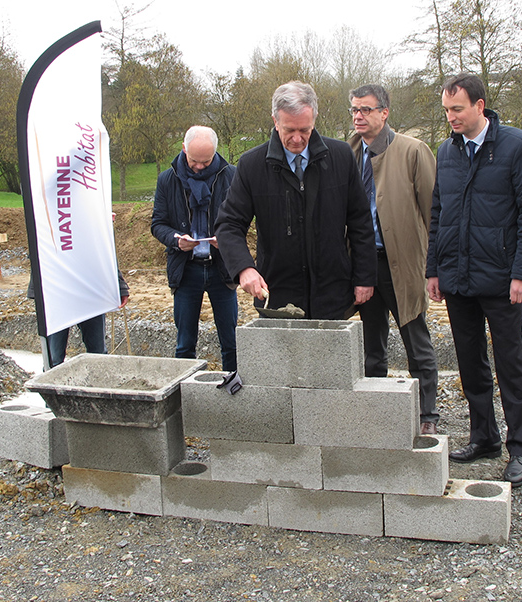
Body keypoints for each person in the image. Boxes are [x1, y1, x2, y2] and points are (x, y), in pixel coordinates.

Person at [426, 73, 522, 487]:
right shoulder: (446, 151)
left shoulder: (516, 146)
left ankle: (519, 449)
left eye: (457, 109)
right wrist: (433, 270)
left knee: (511, 364)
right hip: (458, 279)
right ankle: (484, 437)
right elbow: (437, 214)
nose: (451, 118)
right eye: (446, 110)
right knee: (470, 363)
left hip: (501, 280)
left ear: (480, 106)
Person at [215, 81, 376, 320]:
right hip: (277, 295)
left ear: (315, 118)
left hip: (332, 293)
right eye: (289, 130)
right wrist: (244, 268)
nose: (298, 139)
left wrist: (364, 277)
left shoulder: (341, 157)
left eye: (305, 130)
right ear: (275, 121)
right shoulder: (252, 165)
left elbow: (360, 222)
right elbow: (228, 224)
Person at [348, 84, 440, 435]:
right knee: (372, 343)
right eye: (354, 110)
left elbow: (435, 214)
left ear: (384, 113)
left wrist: (435, 267)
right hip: (363, 264)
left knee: (415, 340)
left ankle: (426, 415)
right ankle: (377, 409)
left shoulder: (413, 152)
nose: (359, 116)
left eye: (366, 110)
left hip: (402, 263)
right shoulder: (348, 152)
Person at [151, 125, 238, 372]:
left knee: (231, 343)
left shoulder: (231, 175)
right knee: (184, 344)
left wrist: (227, 238)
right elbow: (158, 224)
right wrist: (176, 239)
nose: (200, 166)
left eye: (206, 161)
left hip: (222, 269)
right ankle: (184, 398)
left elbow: (242, 218)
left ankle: (233, 390)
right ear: (183, 149)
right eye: (194, 161)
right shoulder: (167, 180)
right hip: (185, 269)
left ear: (215, 153)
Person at [28, 267, 129, 368]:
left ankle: (99, 382)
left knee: (98, 355)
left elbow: (103, 254)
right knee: (53, 360)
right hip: (54, 294)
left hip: (90, 292)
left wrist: (119, 285)